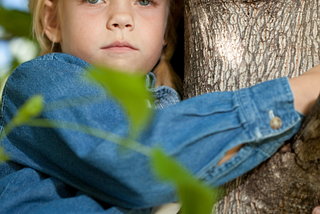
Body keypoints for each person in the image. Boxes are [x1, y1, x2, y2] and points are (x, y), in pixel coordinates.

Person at [0, 0, 319, 213]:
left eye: (144, 0)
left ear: (167, 28)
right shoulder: (40, 83)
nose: (121, 18)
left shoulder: (177, 107)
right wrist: (298, 92)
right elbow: (133, 161)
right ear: (52, 19)